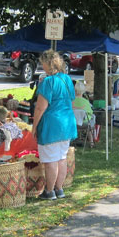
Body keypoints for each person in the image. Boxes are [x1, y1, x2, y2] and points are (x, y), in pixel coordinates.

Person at [31, 50, 77, 200]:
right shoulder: (67, 79)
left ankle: (49, 191)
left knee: (51, 159)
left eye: (42, 63)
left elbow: (40, 108)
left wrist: (34, 126)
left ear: (47, 64)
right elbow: (71, 101)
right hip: (67, 122)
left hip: (52, 124)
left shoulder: (48, 82)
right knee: (61, 158)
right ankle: (59, 189)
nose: (42, 66)